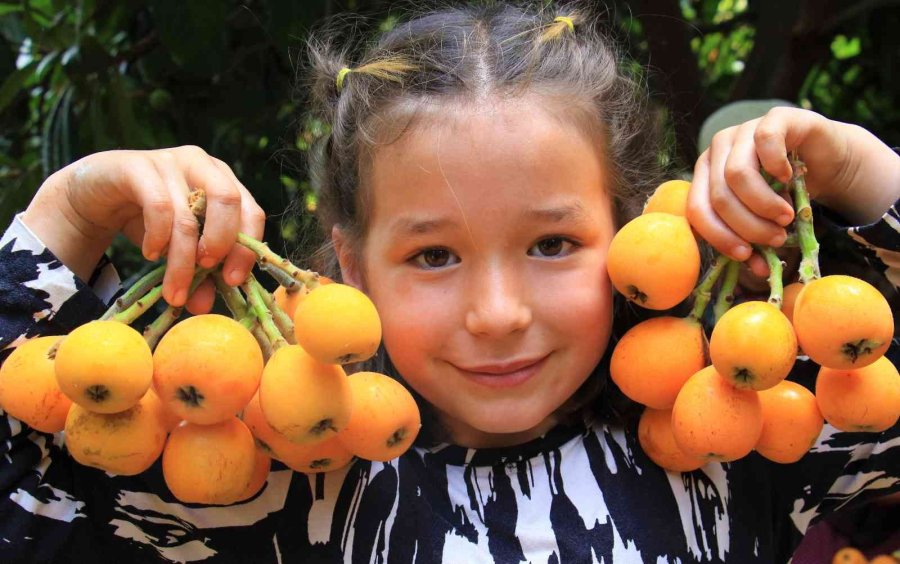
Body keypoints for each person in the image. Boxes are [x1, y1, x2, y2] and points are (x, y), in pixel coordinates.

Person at [0, 3, 897, 563]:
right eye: (433, 256)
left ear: (631, 240)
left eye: (552, 244)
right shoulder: (274, 479)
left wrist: (856, 169)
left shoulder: (729, 446)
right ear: (350, 267)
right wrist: (71, 214)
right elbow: (26, 501)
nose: (499, 315)